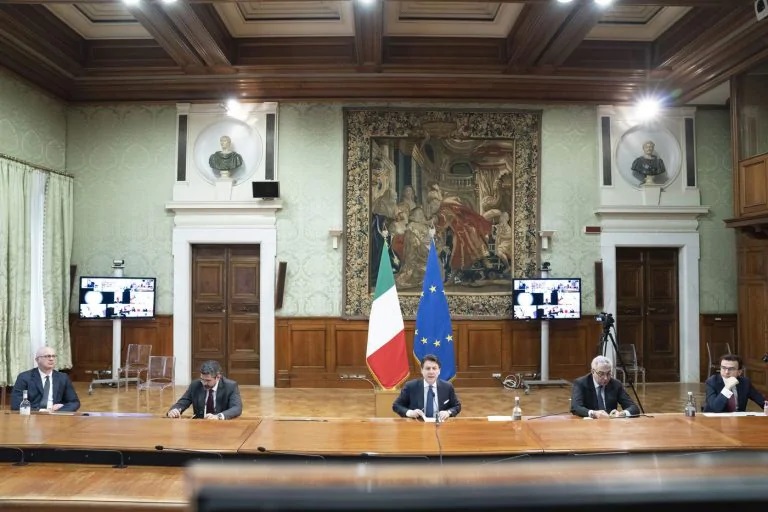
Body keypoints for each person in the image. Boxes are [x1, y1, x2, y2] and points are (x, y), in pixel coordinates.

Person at [11, 346, 80, 412]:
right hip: (33, 416)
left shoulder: (62, 377)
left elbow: (74, 402)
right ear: (37, 360)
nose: (51, 359)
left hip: (56, 415)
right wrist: (41, 411)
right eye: (47, 356)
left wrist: (59, 410)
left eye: (53, 356)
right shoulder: (24, 377)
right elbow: (16, 405)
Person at [392, 354, 461, 421]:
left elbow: (457, 406)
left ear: (439, 371)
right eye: (428, 368)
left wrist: (448, 412)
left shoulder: (447, 387)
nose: (431, 372)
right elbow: (396, 405)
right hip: (417, 424)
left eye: (434, 368)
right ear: (422, 370)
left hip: (440, 424)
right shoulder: (410, 386)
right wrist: (410, 413)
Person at [167, 360, 242, 420]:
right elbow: (183, 402)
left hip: (222, 426)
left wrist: (218, 416)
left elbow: (236, 408)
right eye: (202, 379)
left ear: (218, 377)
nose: (204, 383)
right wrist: (174, 410)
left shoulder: (230, 386)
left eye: (208, 380)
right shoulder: (195, 385)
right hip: (200, 425)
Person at [571, 355, 639, 419]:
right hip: (589, 424)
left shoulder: (616, 384)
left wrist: (621, 414)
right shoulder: (580, 383)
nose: (606, 378)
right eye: (601, 374)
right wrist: (594, 413)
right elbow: (576, 407)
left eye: (608, 373)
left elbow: (634, 407)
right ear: (593, 371)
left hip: (609, 423)